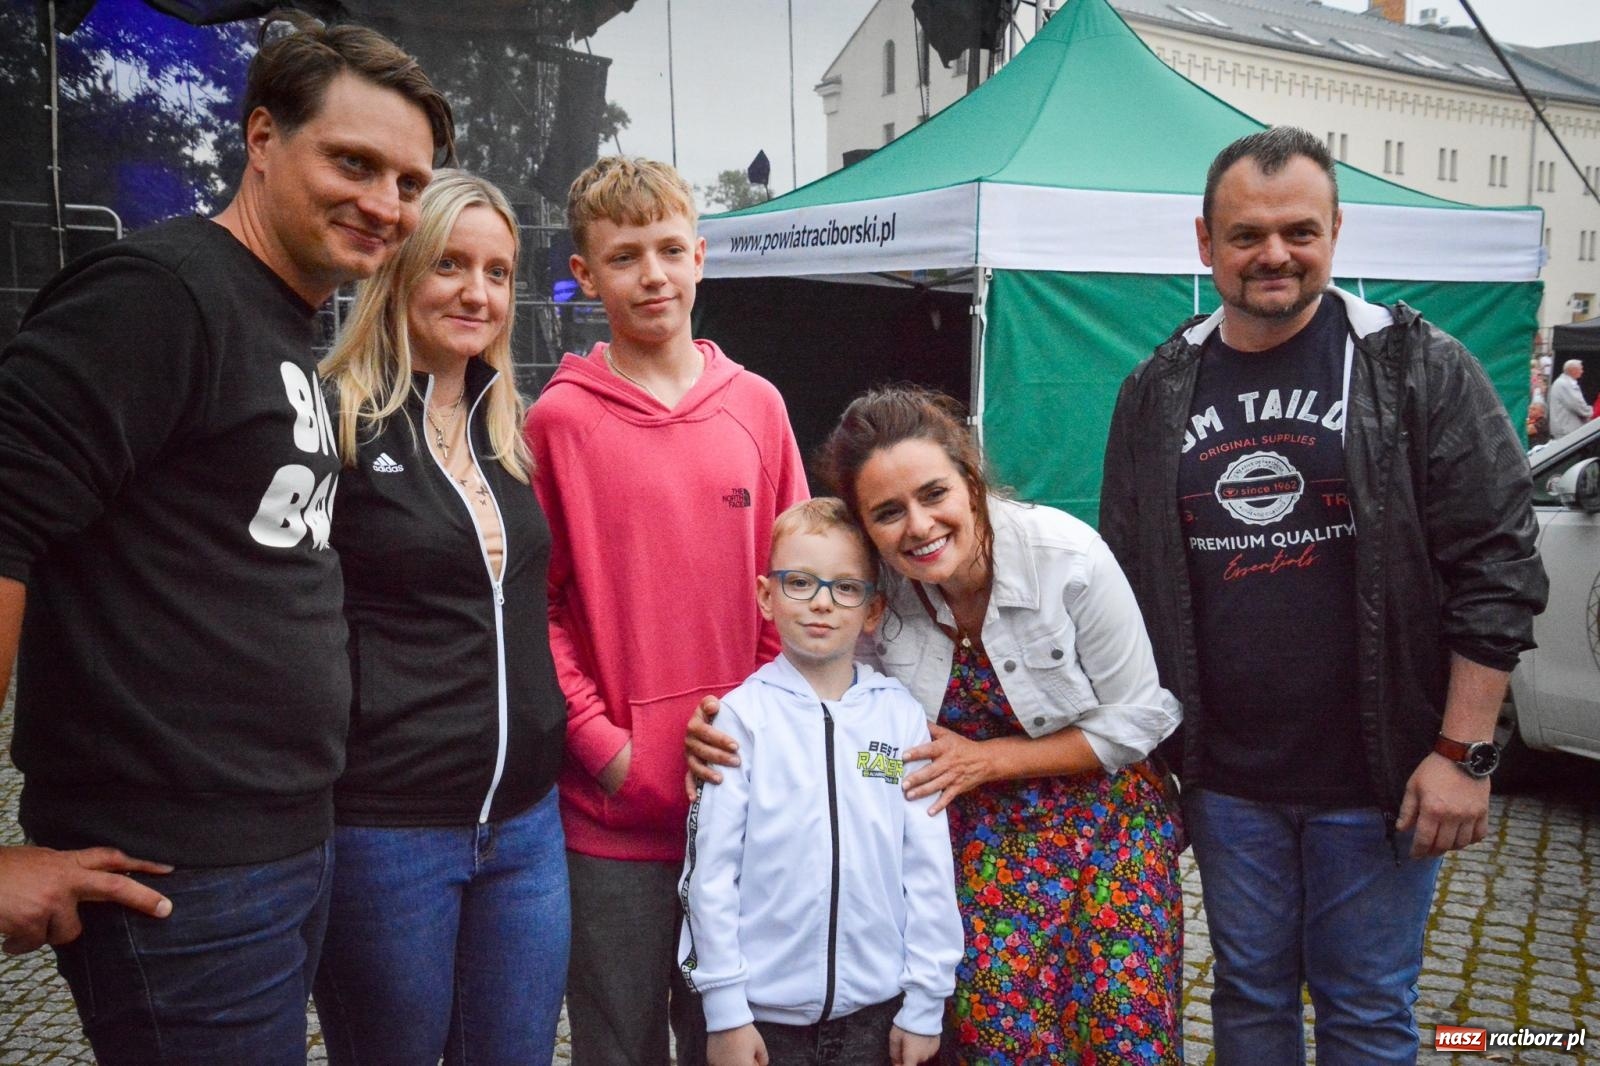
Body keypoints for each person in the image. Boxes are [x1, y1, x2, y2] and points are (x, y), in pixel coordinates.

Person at [0, 13, 452, 1063]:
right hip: (174, 872)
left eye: (408, 182)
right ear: (260, 138)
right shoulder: (158, 296)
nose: (384, 205)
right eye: (354, 162)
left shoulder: (286, 322)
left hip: (284, 843)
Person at [1099, 126, 1547, 1065]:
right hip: (1224, 782)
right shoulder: (1156, 388)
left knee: (1366, 1011)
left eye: (1299, 231)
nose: (1274, 254)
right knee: (1249, 997)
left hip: (1380, 778)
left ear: (1336, 230)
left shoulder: (1414, 367)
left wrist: (1462, 753)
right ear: (1204, 243)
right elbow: (1125, 576)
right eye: (1246, 235)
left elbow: (1498, 562)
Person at [692, 385, 1185, 1065]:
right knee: (1000, 1033)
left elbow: (1139, 720)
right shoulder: (881, 588)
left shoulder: (1068, 559)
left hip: (1103, 817)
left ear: (971, 482)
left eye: (934, 494)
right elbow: (826, 688)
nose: (918, 526)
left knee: (1120, 1026)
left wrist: (991, 760)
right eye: (888, 513)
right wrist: (729, 725)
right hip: (978, 829)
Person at [525, 155, 808, 1066]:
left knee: (741, 1041)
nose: (651, 274)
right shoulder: (556, 423)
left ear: (702, 257)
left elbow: (795, 582)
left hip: (746, 796)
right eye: (623, 257)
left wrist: (758, 727)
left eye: (669, 250)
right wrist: (609, 752)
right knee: (619, 1044)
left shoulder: (757, 407)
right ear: (584, 274)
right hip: (613, 824)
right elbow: (536, 609)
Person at [312, 171, 568, 1065]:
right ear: (399, 271)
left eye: (498, 272)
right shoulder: (335, 424)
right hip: (390, 829)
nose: (478, 292)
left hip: (530, 824)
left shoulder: (511, 431)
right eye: (451, 265)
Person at [678, 497, 962, 1066]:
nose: (822, 604)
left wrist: (926, 1001)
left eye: (845, 587)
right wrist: (727, 1011)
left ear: (873, 609)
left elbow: (928, 865)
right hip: (762, 1021)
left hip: (878, 1019)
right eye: (800, 582)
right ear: (766, 595)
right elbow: (710, 874)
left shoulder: (898, 716)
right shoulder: (740, 720)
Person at [1549, 358, 1589, 438]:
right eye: (1581, 369)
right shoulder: (1565, 384)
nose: (1582, 371)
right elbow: (1576, 404)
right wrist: (1590, 412)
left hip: (1565, 427)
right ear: (1573, 370)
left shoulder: (1562, 382)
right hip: (1566, 429)